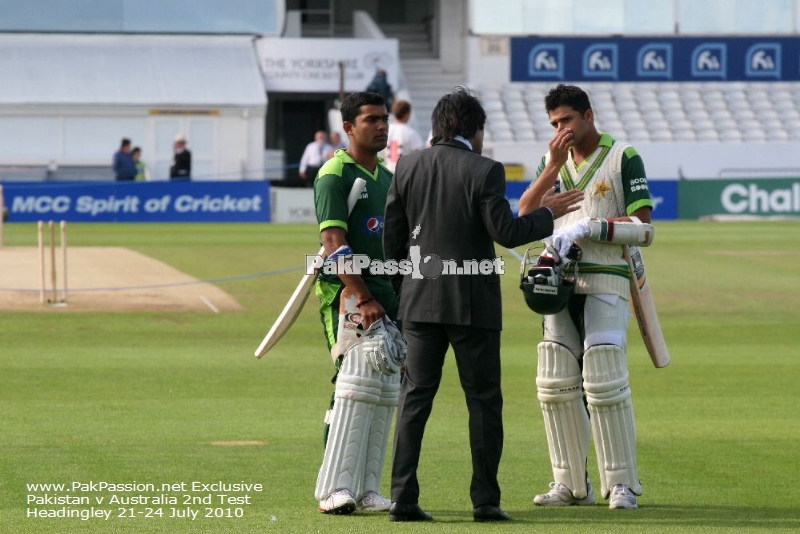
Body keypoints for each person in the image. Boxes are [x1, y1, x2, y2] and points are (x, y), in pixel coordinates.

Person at [383, 87, 584, 523]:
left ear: (438, 127)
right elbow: (506, 232)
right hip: (472, 306)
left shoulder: (408, 165)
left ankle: (402, 498)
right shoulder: (484, 169)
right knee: (483, 403)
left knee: (414, 400)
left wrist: (407, 292)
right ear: (472, 129)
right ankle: (485, 502)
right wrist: (546, 212)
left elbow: (392, 240)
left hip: (419, 304)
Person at [518, 83, 655, 510]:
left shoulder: (621, 157)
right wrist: (550, 167)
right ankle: (571, 485)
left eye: (567, 120)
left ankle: (622, 485)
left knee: (604, 378)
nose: (562, 129)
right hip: (559, 283)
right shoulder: (550, 161)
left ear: (588, 115)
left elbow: (644, 226)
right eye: (555, 123)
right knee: (555, 382)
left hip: (608, 278)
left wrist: (589, 227)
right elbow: (524, 216)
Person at [313, 91, 401, 515]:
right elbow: (333, 241)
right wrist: (361, 294)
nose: (381, 126)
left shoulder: (386, 176)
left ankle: (367, 489)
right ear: (349, 127)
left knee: (384, 392)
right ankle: (333, 489)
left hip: (387, 296)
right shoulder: (335, 174)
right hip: (347, 296)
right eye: (371, 120)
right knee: (351, 387)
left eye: (383, 119)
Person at [381, 100, 424, 172]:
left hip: (388, 170)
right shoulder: (410, 132)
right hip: (404, 172)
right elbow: (419, 154)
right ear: (407, 114)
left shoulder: (387, 129)